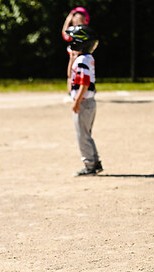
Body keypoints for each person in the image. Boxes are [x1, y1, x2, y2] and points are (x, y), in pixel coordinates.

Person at [66, 25, 102, 177]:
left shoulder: (83, 60)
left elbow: (84, 82)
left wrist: (77, 102)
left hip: (84, 102)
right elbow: (70, 75)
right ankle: (95, 162)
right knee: (86, 133)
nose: (71, 42)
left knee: (82, 135)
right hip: (88, 102)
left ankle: (89, 165)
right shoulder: (85, 58)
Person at [62, 7, 90, 95]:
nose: (76, 20)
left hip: (81, 56)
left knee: (83, 73)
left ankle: (86, 90)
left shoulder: (84, 31)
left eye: (79, 18)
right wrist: (68, 20)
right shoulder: (72, 31)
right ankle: (71, 91)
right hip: (73, 56)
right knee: (70, 74)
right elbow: (65, 34)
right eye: (75, 18)